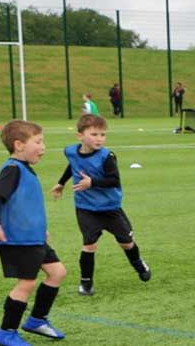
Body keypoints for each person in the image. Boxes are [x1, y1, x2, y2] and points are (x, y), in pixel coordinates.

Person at [0, 120, 68, 346]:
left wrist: (41, 228)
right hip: (20, 239)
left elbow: (25, 205)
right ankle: (6, 331)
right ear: (19, 145)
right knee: (27, 283)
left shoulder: (24, 169)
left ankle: (36, 320)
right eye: (38, 142)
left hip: (34, 237)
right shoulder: (12, 169)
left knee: (57, 272)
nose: (43, 147)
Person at [50, 114, 151, 297]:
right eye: (94, 134)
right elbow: (72, 166)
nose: (99, 139)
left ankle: (138, 264)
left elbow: (114, 180)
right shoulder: (71, 151)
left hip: (110, 208)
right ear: (79, 136)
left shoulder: (107, 156)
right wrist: (61, 183)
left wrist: (92, 183)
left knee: (126, 243)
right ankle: (86, 282)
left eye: (103, 135)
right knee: (89, 245)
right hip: (86, 208)